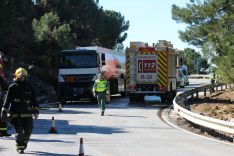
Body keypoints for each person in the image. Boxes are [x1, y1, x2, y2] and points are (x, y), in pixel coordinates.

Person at [1, 67, 39, 154]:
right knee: (19, 132)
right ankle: (20, 147)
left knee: (28, 131)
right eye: (20, 76)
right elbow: (7, 100)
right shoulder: (12, 87)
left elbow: (34, 100)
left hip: (28, 114)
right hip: (16, 115)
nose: (22, 77)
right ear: (17, 76)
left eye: (23, 76)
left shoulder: (29, 87)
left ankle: (24, 143)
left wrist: (36, 111)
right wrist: (4, 112)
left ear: (26, 76)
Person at [0, 73, 11, 137]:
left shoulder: (0, 78)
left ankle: (3, 131)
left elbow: (6, 88)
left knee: (3, 115)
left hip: (1, 100)